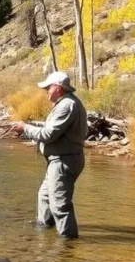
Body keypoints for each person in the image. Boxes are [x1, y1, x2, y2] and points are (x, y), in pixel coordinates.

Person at [8, 71, 87, 238]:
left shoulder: (67, 105)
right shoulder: (66, 103)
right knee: (44, 197)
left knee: (60, 206)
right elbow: (52, 126)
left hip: (63, 162)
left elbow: (48, 135)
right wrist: (30, 124)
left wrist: (26, 128)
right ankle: (44, 233)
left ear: (57, 88)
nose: (45, 92)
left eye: (48, 88)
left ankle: (68, 247)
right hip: (58, 161)